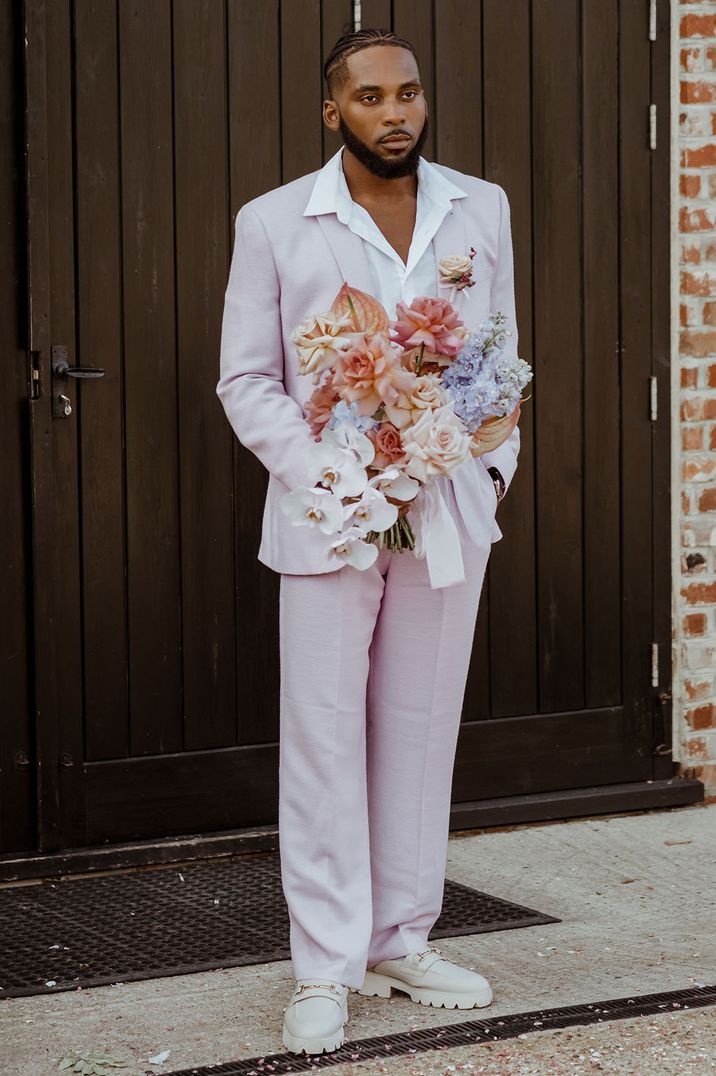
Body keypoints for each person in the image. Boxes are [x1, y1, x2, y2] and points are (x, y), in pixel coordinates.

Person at [216, 26, 522, 1057]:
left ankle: (400, 938)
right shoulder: (273, 223)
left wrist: (481, 468)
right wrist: (333, 476)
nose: (395, 112)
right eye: (371, 97)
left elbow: (499, 358)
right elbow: (247, 379)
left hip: (443, 513)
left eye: (408, 92)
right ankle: (322, 965)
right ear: (331, 110)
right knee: (323, 738)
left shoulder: (478, 207)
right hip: (328, 519)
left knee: (420, 727)